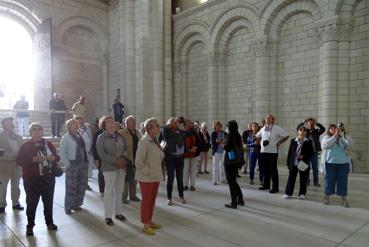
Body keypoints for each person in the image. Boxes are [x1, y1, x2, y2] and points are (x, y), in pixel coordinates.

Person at [16, 123, 59, 236]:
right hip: (32, 179)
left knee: (48, 201)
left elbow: (56, 157)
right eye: (34, 130)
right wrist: (33, 159)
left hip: (48, 177)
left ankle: (49, 222)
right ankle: (30, 226)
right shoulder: (26, 145)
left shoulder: (48, 143)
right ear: (30, 133)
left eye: (39, 129)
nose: (37, 131)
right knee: (32, 203)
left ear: (42, 132)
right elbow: (19, 160)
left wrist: (53, 158)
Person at [96, 116, 128, 225]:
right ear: (103, 125)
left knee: (119, 191)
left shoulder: (120, 136)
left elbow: (125, 149)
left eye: (112, 122)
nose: (111, 123)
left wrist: (123, 159)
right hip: (109, 168)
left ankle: (118, 213)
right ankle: (108, 216)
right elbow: (102, 154)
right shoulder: (101, 137)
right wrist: (116, 161)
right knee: (109, 192)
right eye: (108, 122)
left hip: (121, 167)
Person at [135, 118, 164, 235]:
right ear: (150, 128)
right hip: (146, 178)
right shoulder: (144, 142)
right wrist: (149, 172)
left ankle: (149, 220)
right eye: (157, 125)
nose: (159, 127)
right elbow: (138, 162)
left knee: (152, 200)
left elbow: (158, 157)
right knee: (146, 201)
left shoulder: (155, 140)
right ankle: (145, 225)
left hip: (155, 176)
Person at [60, 119, 90, 214]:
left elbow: (87, 146)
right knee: (71, 186)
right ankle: (68, 206)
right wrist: (68, 164)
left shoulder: (81, 135)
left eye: (76, 124)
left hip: (83, 163)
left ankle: (76, 204)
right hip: (73, 164)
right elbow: (62, 152)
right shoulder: (66, 137)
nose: (75, 125)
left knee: (82, 185)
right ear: (68, 126)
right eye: (73, 124)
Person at [321, 123, 353, 207]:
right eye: (331, 128)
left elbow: (350, 145)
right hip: (330, 163)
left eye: (335, 128)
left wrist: (345, 132)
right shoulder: (326, 138)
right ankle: (326, 197)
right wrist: (335, 136)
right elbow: (325, 145)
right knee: (329, 180)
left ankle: (344, 199)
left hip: (343, 163)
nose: (333, 129)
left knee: (343, 181)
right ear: (328, 130)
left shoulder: (342, 138)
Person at [256, 114, 289, 193]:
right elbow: (257, 136)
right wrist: (260, 142)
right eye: (266, 118)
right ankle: (266, 185)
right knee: (265, 169)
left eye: (269, 118)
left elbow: (286, 135)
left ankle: (275, 187)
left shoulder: (277, 128)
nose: (267, 119)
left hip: (272, 152)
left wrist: (279, 142)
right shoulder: (263, 128)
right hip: (263, 151)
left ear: (273, 120)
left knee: (273, 170)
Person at [159, 117, 186, 206]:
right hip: (170, 157)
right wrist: (170, 125)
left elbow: (187, 134)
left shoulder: (181, 132)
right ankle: (169, 198)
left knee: (180, 178)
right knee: (170, 178)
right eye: (174, 122)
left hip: (180, 158)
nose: (176, 123)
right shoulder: (166, 131)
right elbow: (164, 131)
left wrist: (185, 122)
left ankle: (181, 196)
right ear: (169, 124)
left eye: (177, 122)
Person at [0, 117, 24, 214]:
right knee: (2, 187)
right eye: (8, 122)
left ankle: (16, 203)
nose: (10, 124)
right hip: (3, 166)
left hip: (16, 166)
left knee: (16, 186)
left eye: (11, 122)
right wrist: (11, 156)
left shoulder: (19, 137)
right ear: (3, 124)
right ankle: (1, 204)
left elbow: (22, 150)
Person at [283, 126, 314, 200]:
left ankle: (302, 194)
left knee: (303, 179)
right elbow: (290, 153)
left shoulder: (308, 141)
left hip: (303, 163)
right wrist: (288, 163)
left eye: (304, 130)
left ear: (306, 132)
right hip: (293, 163)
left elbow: (312, 153)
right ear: (298, 131)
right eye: (301, 130)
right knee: (291, 178)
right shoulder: (293, 141)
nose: (302, 131)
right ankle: (288, 193)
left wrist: (304, 156)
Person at [119, 115, 142, 204]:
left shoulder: (138, 132)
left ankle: (133, 196)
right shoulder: (122, 133)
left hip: (137, 159)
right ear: (126, 123)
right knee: (126, 180)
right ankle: (123, 197)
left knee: (134, 179)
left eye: (134, 121)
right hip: (127, 159)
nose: (134, 122)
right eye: (131, 121)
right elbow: (120, 147)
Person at [297, 118, 325, 187]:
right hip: (306, 153)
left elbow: (323, 129)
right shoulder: (304, 131)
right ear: (307, 124)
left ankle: (316, 181)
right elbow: (298, 128)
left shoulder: (317, 131)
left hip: (314, 152)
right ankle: (307, 181)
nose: (311, 124)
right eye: (310, 123)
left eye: (312, 123)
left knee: (315, 168)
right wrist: (303, 122)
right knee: (307, 167)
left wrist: (317, 123)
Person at [223, 120, 244, 209]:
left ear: (230, 128)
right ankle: (240, 200)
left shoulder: (230, 136)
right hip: (236, 161)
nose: (226, 128)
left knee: (231, 182)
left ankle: (234, 203)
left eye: (227, 127)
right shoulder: (238, 135)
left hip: (230, 162)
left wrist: (223, 143)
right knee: (234, 181)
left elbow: (227, 147)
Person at [75, 115, 94, 191]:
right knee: (80, 170)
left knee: (87, 170)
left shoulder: (88, 129)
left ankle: (86, 184)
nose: (81, 122)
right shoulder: (75, 130)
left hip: (88, 152)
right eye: (79, 121)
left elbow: (90, 138)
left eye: (82, 121)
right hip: (80, 154)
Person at [183, 119, 200, 191]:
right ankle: (185, 185)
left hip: (194, 153)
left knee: (193, 170)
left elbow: (199, 142)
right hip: (186, 154)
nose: (189, 125)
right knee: (185, 170)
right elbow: (181, 144)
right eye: (187, 124)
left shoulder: (194, 132)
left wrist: (196, 147)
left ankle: (192, 185)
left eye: (190, 123)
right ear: (184, 125)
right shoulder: (182, 133)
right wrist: (188, 150)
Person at [92, 117, 106, 196]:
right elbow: (94, 147)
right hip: (100, 157)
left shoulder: (110, 132)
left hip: (108, 157)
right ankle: (102, 190)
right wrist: (96, 159)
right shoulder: (97, 133)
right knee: (101, 173)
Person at [211, 121, 226, 185]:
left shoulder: (224, 133)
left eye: (219, 125)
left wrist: (220, 141)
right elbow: (215, 142)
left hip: (223, 151)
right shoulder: (213, 133)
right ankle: (215, 180)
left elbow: (225, 140)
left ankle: (223, 179)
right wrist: (221, 141)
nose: (218, 126)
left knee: (223, 166)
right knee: (215, 166)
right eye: (216, 125)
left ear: (221, 126)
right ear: (214, 127)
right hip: (216, 151)